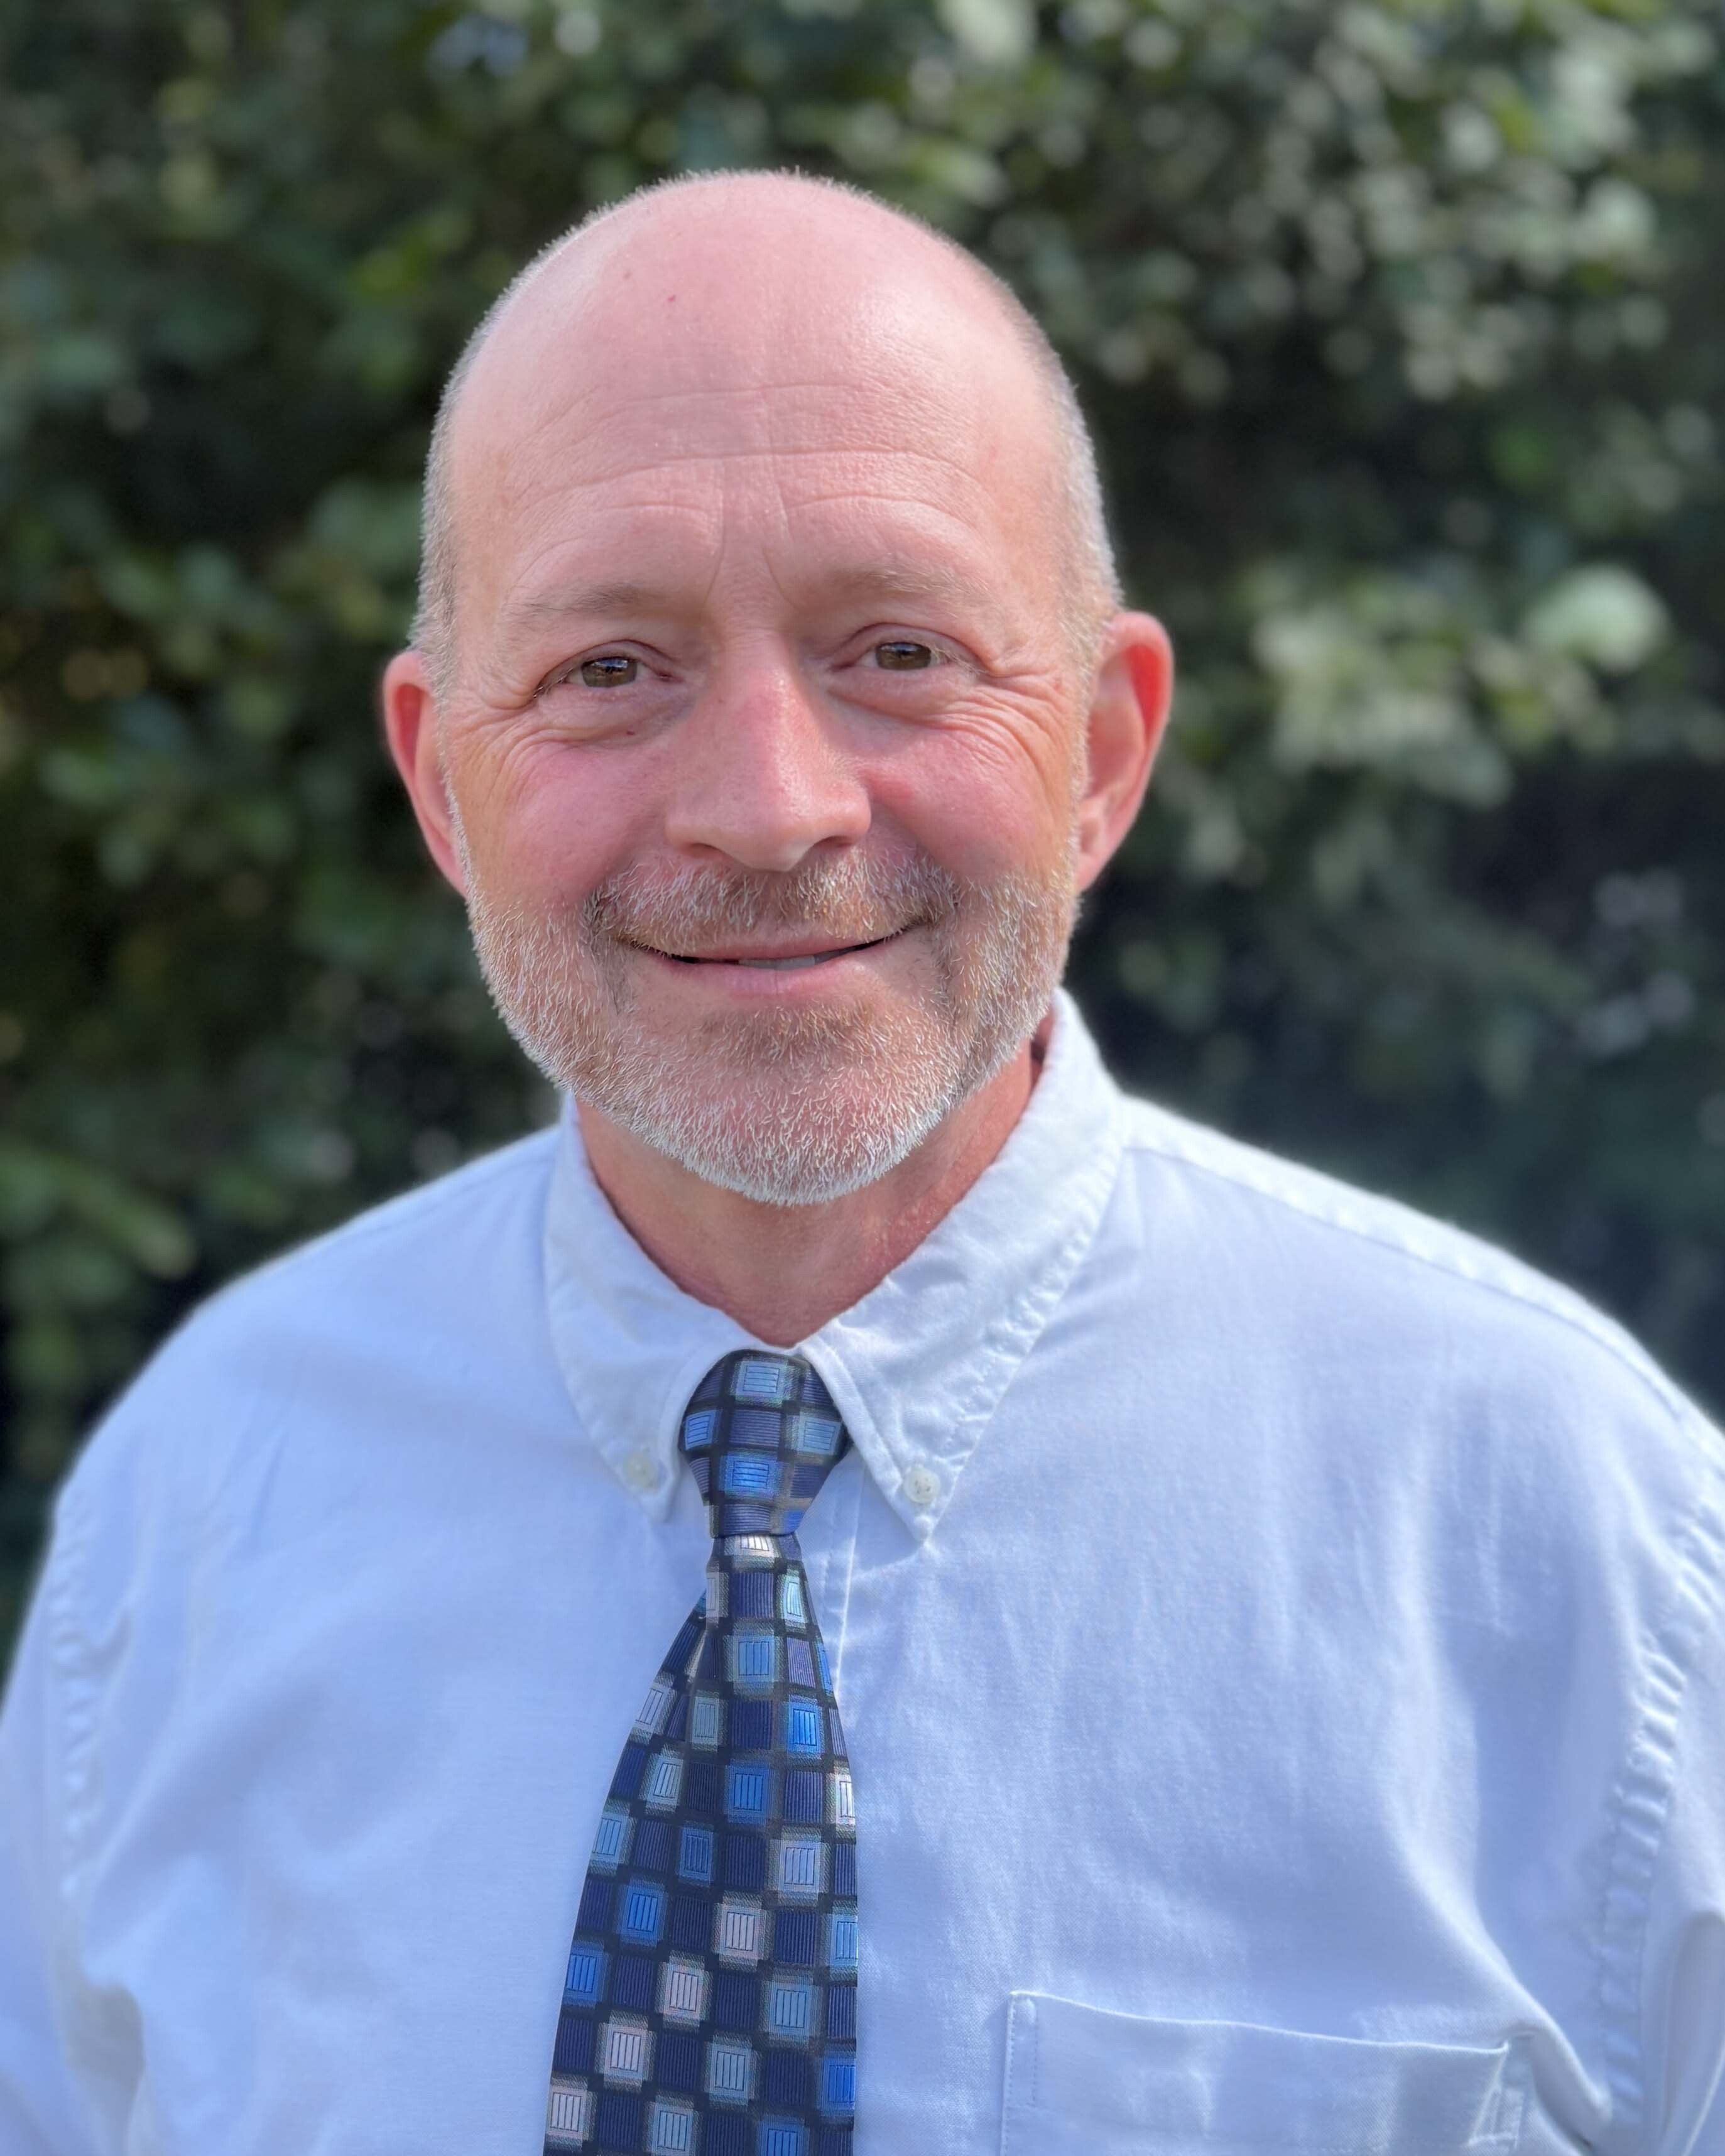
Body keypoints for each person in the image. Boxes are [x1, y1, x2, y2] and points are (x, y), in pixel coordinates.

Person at [1, 170, 1721, 2156]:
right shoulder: (201, 1502)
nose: (763, 805)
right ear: (440, 781)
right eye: (608, 672)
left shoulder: (1574, 1541)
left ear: (1097, 747)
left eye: (896, 648)